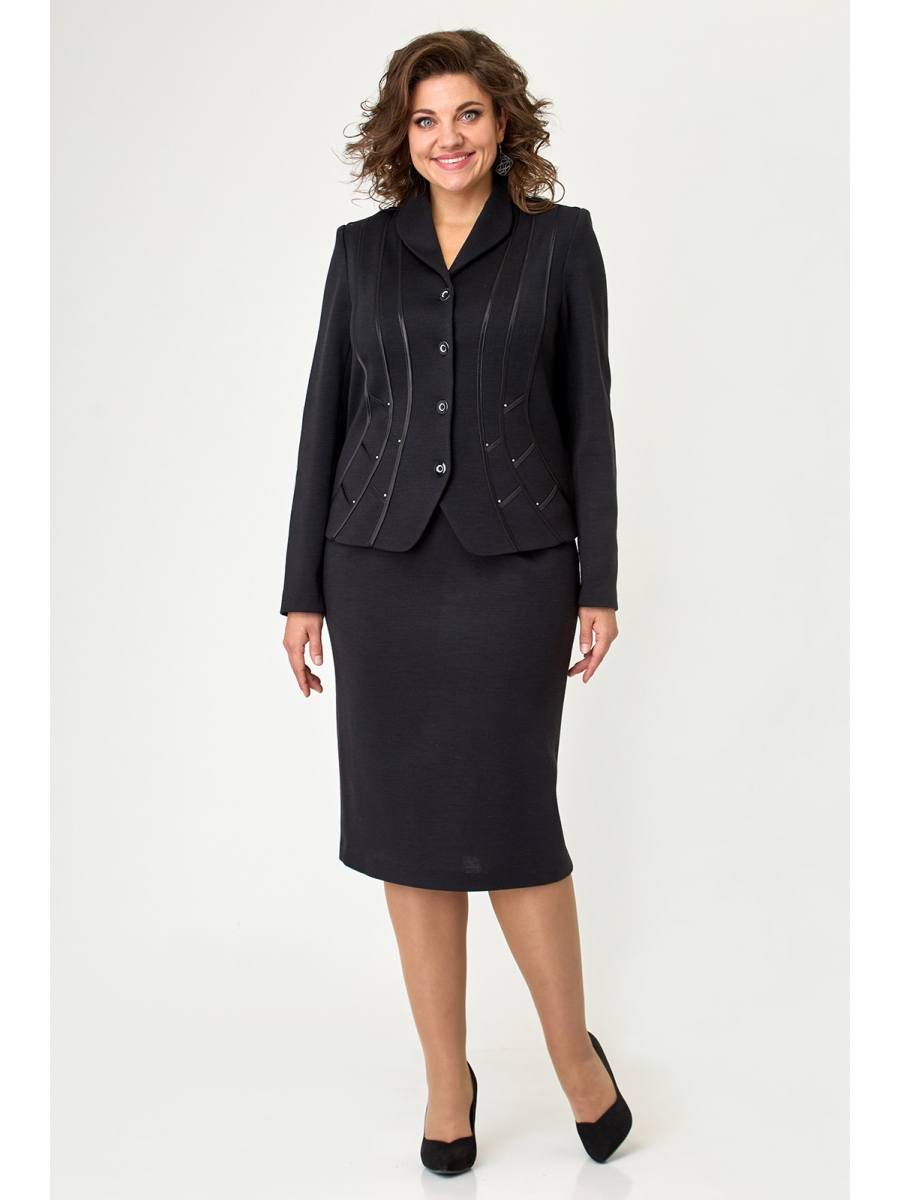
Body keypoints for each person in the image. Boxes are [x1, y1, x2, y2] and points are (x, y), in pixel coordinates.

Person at [280, 29, 631, 1174]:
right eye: (427, 119)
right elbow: (326, 416)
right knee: (409, 833)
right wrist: (301, 589)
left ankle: (573, 1056)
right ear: (403, 134)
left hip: (516, 565)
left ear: (502, 121)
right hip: (375, 568)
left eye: (468, 114)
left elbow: (588, 416)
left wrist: (598, 578)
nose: (449, 138)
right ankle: (447, 1080)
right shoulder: (359, 253)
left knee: (517, 824)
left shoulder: (559, 244)